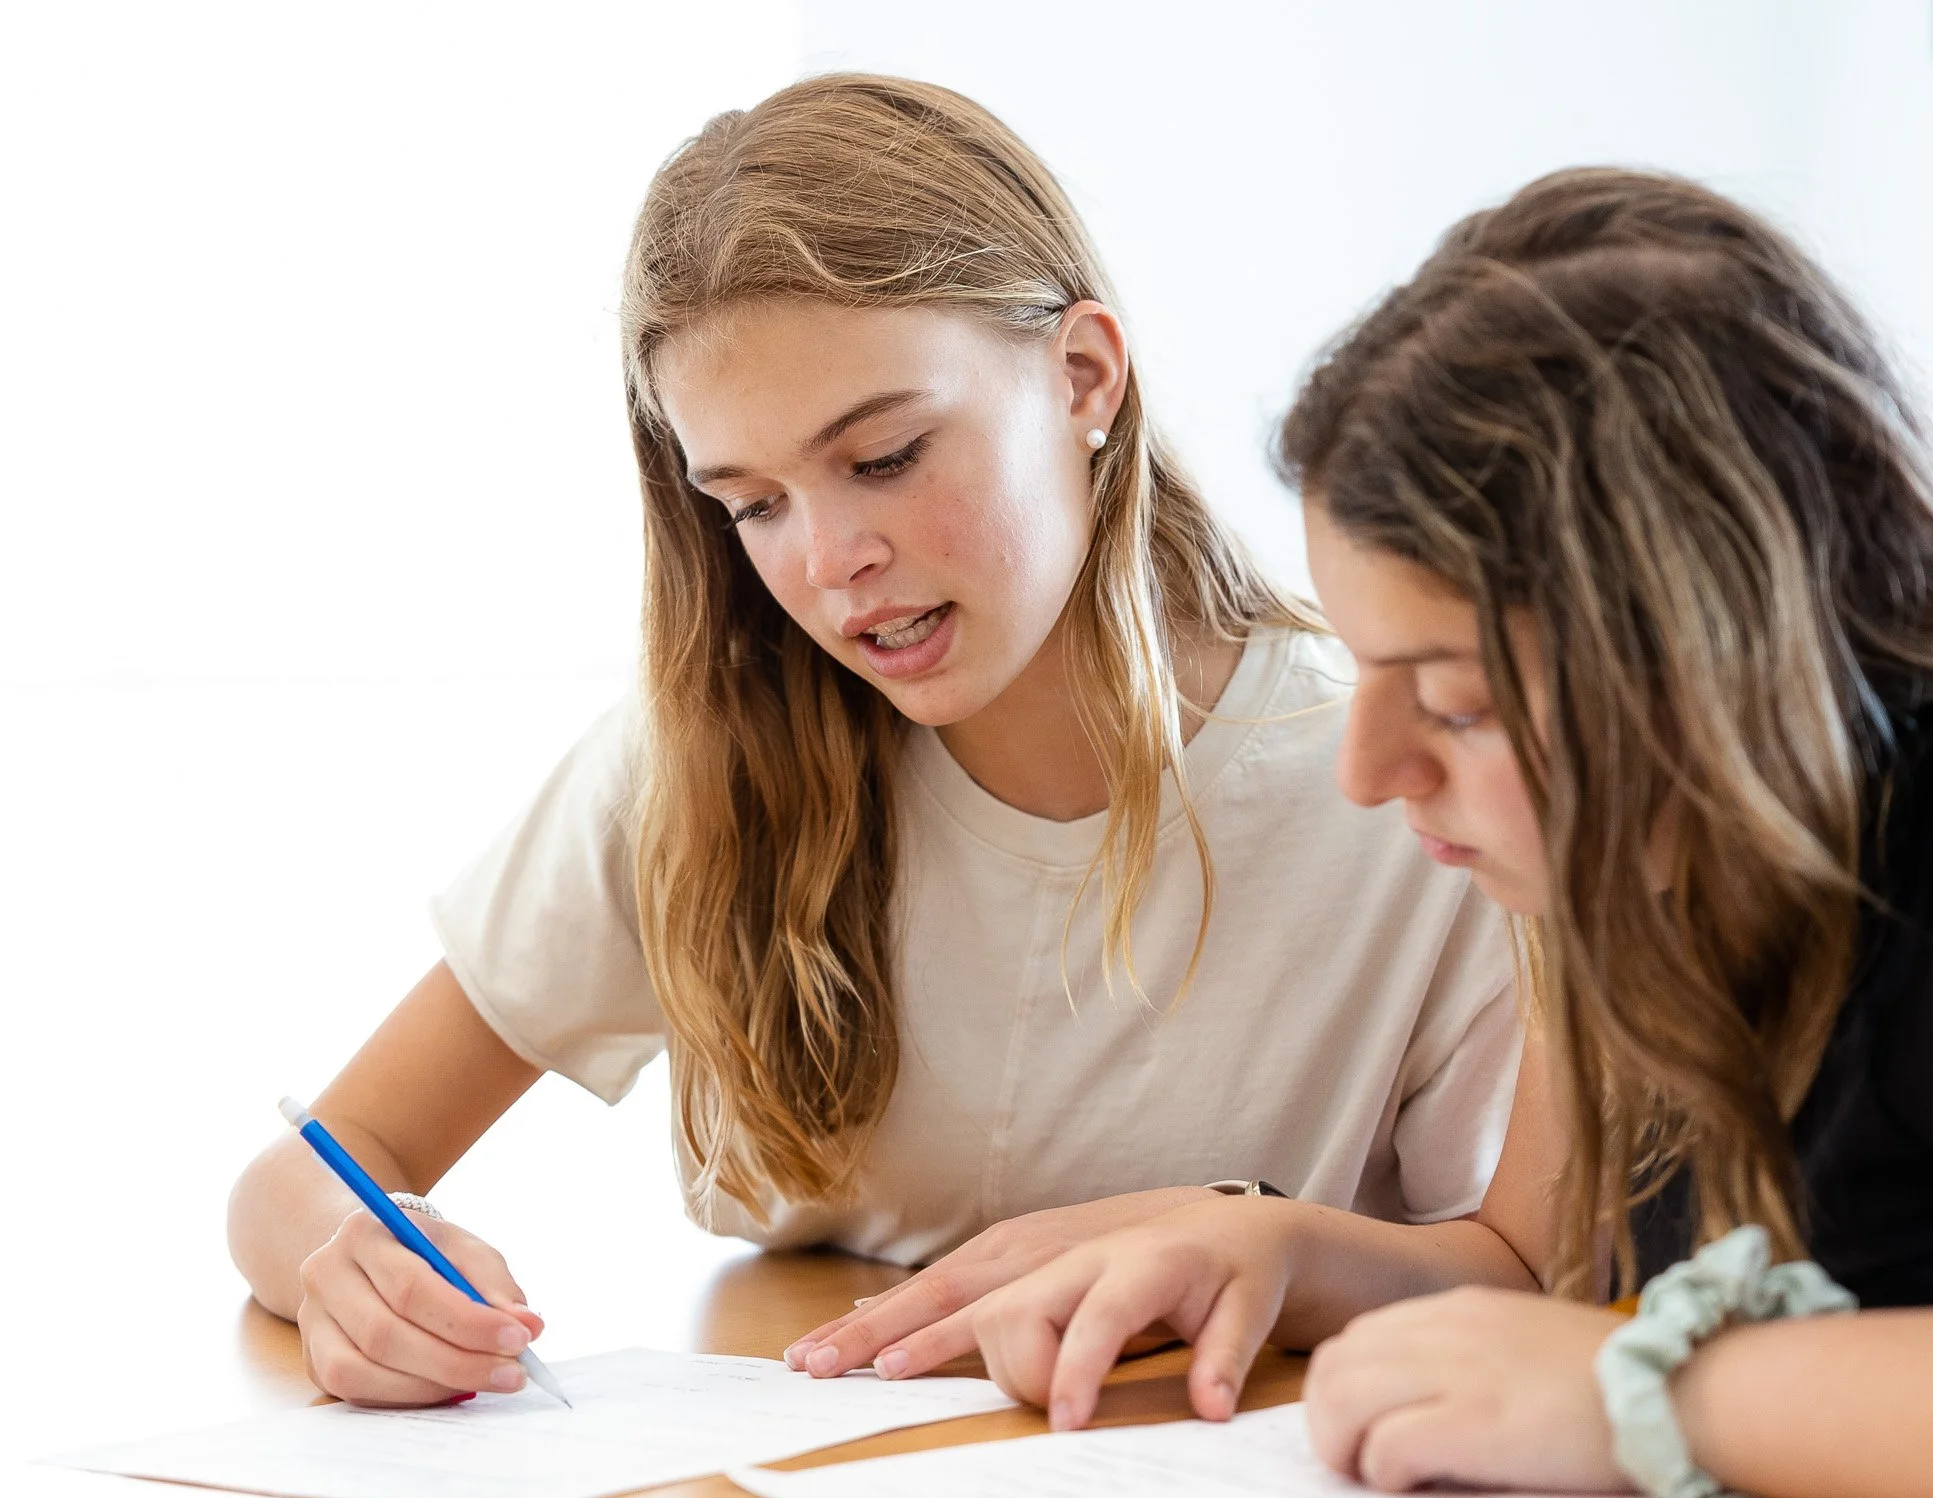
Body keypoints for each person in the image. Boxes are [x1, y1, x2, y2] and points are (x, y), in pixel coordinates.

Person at [887, 168, 1933, 1498]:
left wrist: (1661, 1397)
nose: (1374, 773)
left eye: (1450, 696)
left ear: (1709, 656)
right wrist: (1287, 1251)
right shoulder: (1637, 864)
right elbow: (1544, 1269)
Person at [224, 75, 1520, 1409]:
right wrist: (355, 1253)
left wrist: (1275, 1252)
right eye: (754, 504)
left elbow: (1532, 1269)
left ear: (1085, 377)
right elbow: (315, 1162)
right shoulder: (707, 754)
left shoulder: (1399, 787)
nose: (834, 562)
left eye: (888, 457)